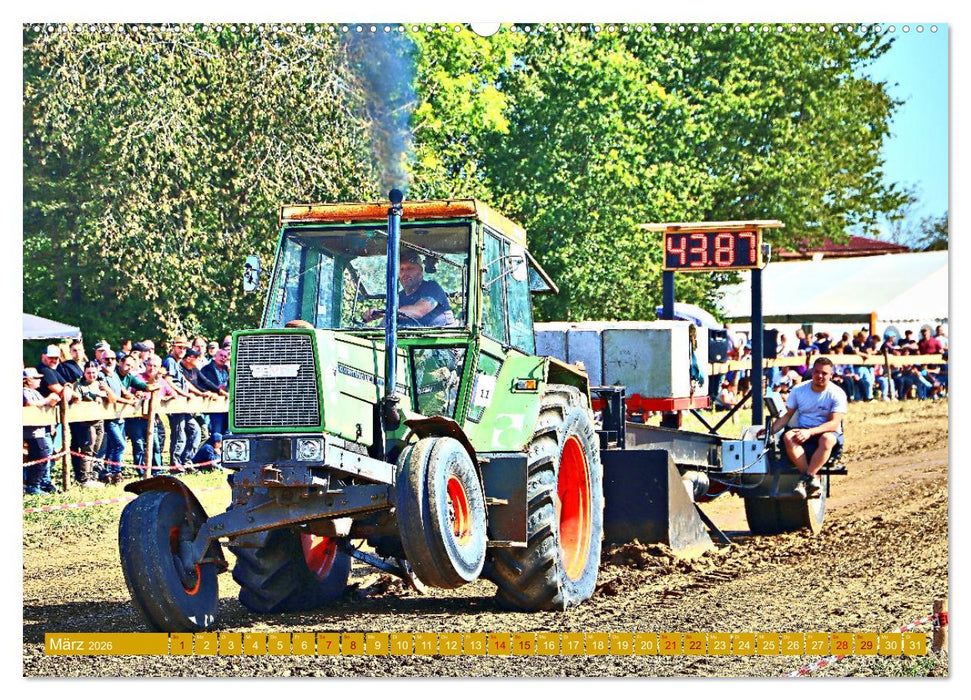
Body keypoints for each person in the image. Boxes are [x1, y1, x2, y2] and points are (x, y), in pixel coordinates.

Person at [764, 357, 847, 499]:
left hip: (826, 432)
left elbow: (834, 423)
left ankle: (805, 479)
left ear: (831, 375)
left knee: (827, 439)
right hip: (803, 429)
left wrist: (810, 432)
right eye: (817, 372)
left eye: (824, 373)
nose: (820, 376)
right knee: (788, 437)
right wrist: (769, 431)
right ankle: (811, 478)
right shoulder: (799, 390)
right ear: (812, 372)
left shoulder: (837, 393)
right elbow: (786, 416)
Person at [362, 248, 456, 327]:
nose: (405, 273)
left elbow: (418, 311)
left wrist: (387, 313)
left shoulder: (432, 288)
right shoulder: (398, 297)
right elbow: (386, 325)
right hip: (411, 341)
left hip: (442, 342)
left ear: (420, 271)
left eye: (410, 268)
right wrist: (374, 315)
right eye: (401, 269)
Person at [23, 368, 61, 495]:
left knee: (43, 456)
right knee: (40, 457)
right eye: (36, 378)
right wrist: (48, 399)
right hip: (32, 432)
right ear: (28, 381)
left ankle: (41, 483)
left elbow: (43, 404)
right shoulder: (24, 391)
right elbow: (29, 404)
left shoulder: (35, 392)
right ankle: (33, 485)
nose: (40, 380)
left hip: (40, 430)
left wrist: (51, 402)